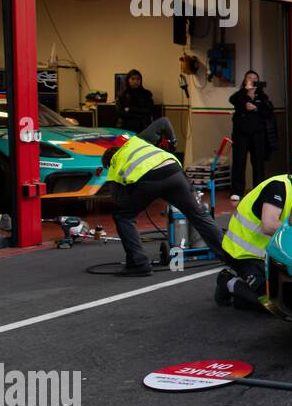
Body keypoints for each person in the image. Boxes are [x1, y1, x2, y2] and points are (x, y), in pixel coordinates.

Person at [100, 117, 226, 276]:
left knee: (123, 217)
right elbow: (164, 121)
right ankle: (229, 255)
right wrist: (172, 142)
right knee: (198, 214)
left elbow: (120, 202)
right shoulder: (136, 141)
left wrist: (135, 196)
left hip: (148, 180)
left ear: (108, 160)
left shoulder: (114, 164)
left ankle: (139, 264)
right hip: (174, 171)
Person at [216, 159, 292, 309]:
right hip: (242, 254)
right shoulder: (278, 187)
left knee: (289, 298)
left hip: (266, 256)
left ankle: (243, 292)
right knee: (272, 306)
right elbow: (269, 226)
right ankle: (229, 281)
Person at [228, 70, 273, 201]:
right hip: (240, 134)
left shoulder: (262, 97)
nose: (252, 80)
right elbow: (232, 99)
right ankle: (236, 191)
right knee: (239, 162)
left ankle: (258, 190)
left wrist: (256, 108)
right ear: (245, 80)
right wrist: (246, 92)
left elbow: (268, 113)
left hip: (258, 134)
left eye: (255, 78)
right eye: (249, 78)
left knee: (258, 162)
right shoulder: (240, 95)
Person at [115, 69, 155, 134]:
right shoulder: (122, 95)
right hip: (125, 128)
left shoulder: (147, 94)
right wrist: (139, 114)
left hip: (143, 127)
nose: (136, 81)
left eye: (138, 79)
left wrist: (130, 109)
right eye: (133, 79)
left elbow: (150, 110)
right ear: (128, 80)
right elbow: (120, 112)